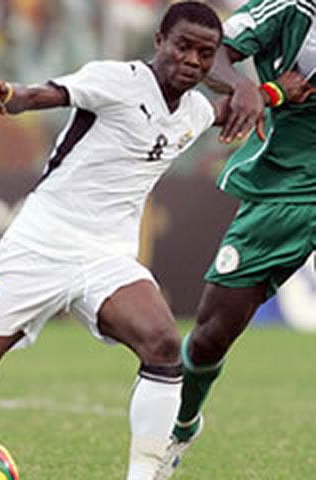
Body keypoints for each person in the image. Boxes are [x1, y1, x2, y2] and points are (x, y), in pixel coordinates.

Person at [0, 3, 230, 479]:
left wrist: (269, 92)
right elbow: (44, 94)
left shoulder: (195, 111)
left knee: (164, 345)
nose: (192, 60)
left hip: (107, 256)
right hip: (40, 243)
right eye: (183, 46)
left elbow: (225, 109)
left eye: (205, 54)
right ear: (159, 40)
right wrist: (8, 94)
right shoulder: (116, 80)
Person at [161, 0, 316, 474]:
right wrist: (250, 88)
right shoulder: (290, 9)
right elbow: (215, 54)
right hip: (283, 189)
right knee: (210, 336)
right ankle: (181, 425)